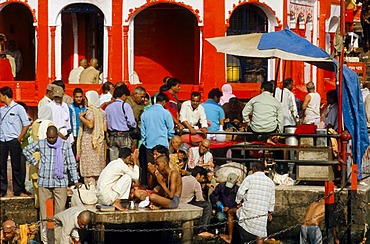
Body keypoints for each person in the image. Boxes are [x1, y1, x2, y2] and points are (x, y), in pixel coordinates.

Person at [23, 126, 81, 243]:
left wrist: (75, 180)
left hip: (60, 182)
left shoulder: (65, 145)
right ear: (46, 135)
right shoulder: (41, 143)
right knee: (45, 213)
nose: (51, 140)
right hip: (44, 181)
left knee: (60, 212)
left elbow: (71, 163)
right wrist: (35, 163)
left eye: (53, 137)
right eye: (49, 138)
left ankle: (58, 239)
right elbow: (26, 150)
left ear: (57, 135)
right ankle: (46, 240)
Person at [0, 86, 31, 197]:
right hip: (2, 140)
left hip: (14, 140)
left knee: (16, 166)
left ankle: (18, 190)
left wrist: (19, 137)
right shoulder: (1, 110)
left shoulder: (18, 108)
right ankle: (2, 189)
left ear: (5, 95)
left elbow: (26, 124)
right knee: (1, 165)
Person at [234, 162, 275, 244]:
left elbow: (240, 193)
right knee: (259, 233)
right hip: (262, 214)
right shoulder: (270, 182)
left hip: (248, 212)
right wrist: (269, 212)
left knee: (230, 213)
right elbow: (272, 200)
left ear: (254, 169)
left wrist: (238, 202)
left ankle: (230, 237)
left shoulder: (249, 178)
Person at [77, 90, 107, 184]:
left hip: (89, 142)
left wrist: (81, 118)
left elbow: (90, 125)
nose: (84, 100)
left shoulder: (90, 111)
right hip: (98, 142)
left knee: (89, 171)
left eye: (86, 99)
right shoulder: (102, 112)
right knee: (97, 169)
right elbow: (105, 128)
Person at [141, 92, 174, 166]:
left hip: (149, 145)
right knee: (163, 168)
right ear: (164, 102)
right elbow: (171, 130)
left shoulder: (145, 113)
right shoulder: (166, 113)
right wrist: (169, 139)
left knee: (151, 168)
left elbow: (143, 132)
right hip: (162, 145)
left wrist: (145, 142)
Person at [30, 105, 54, 208]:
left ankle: (38, 205)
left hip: (35, 154)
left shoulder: (35, 123)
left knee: (36, 184)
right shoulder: (49, 124)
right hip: (45, 154)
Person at [180, 166, 214, 238]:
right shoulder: (196, 183)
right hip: (187, 203)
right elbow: (200, 199)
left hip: (179, 202)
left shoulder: (183, 178)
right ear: (198, 175)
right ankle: (202, 229)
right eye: (202, 177)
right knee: (207, 205)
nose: (202, 179)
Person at [105, 85, 136, 160]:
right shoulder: (125, 106)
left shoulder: (108, 108)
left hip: (112, 135)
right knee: (125, 158)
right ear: (123, 95)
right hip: (123, 135)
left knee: (113, 160)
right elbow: (131, 122)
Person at [210, 173, 239, 244]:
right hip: (222, 210)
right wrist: (217, 202)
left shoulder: (238, 189)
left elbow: (239, 202)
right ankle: (220, 230)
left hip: (232, 211)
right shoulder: (221, 186)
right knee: (220, 217)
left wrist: (231, 208)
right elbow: (213, 195)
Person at [68, 88, 86, 155]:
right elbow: (68, 121)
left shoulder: (85, 108)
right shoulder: (70, 107)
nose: (79, 99)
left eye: (80, 97)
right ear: (73, 97)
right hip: (74, 134)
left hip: (83, 134)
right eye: (77, 97)